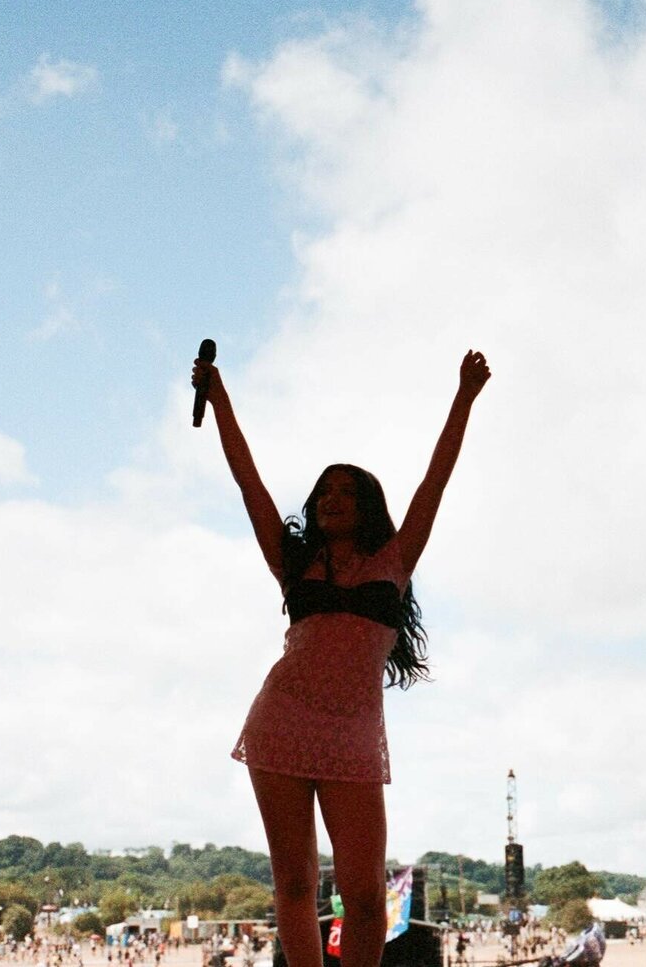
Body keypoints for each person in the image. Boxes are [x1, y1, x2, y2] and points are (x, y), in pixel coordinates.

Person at [192, 348, 491, 967]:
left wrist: (464, 397)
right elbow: (249, 483)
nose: (332, 498)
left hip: (353, 733)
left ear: (368, 505)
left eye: (347, 491)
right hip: (280, 721)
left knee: (364, 896)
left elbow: (434, 481)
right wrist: (218, 398)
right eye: (325, 490)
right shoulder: (294, 562)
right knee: (294, 884)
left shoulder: (394, 561)